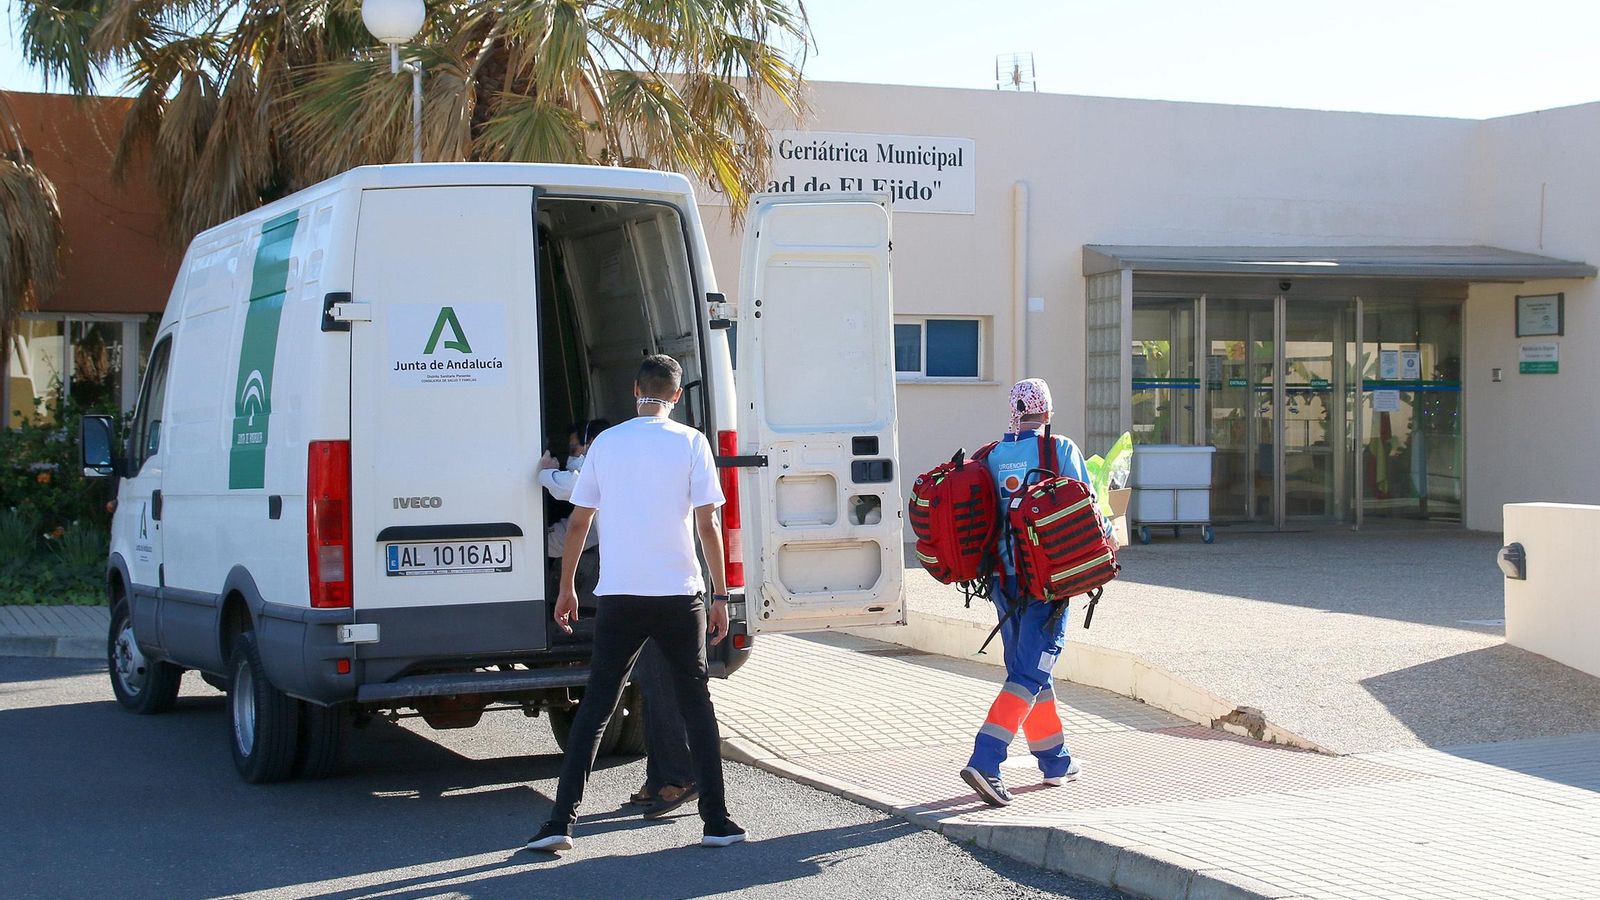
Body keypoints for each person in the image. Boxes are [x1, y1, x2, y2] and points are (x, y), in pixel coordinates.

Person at [526, 355, 743, 852]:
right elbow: (708, 524)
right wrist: (720, 594)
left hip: (620, 596)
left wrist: (566, 588)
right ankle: (716, 824)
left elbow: (579, 522)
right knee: (697, 706)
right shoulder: (691, 441)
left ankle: (560, 823)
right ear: (676, 396)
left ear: (634, 390)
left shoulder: (607, 442)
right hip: (678, 596)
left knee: (597, 706)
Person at [537, 419, 699, 818]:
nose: (577, 455)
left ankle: (678, 776)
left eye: (579, 448)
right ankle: (665, 777)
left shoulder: (608, 460)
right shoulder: (666, 454)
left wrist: (565, 586)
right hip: (658, 592)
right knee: (655, 685)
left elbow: (576, 515)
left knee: (649, 688)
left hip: (644, 594)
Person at [959, 378, 1104, 808]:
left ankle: (1055, 761)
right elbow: (1089, 507)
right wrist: (1111, 544)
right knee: (1028, 672)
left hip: (1003, 583)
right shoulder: (1059, 450)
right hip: (1047, 583)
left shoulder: (990, 456)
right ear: (1048, 411)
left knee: (1031, 671)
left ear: (1012, 413)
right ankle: (986, 760)